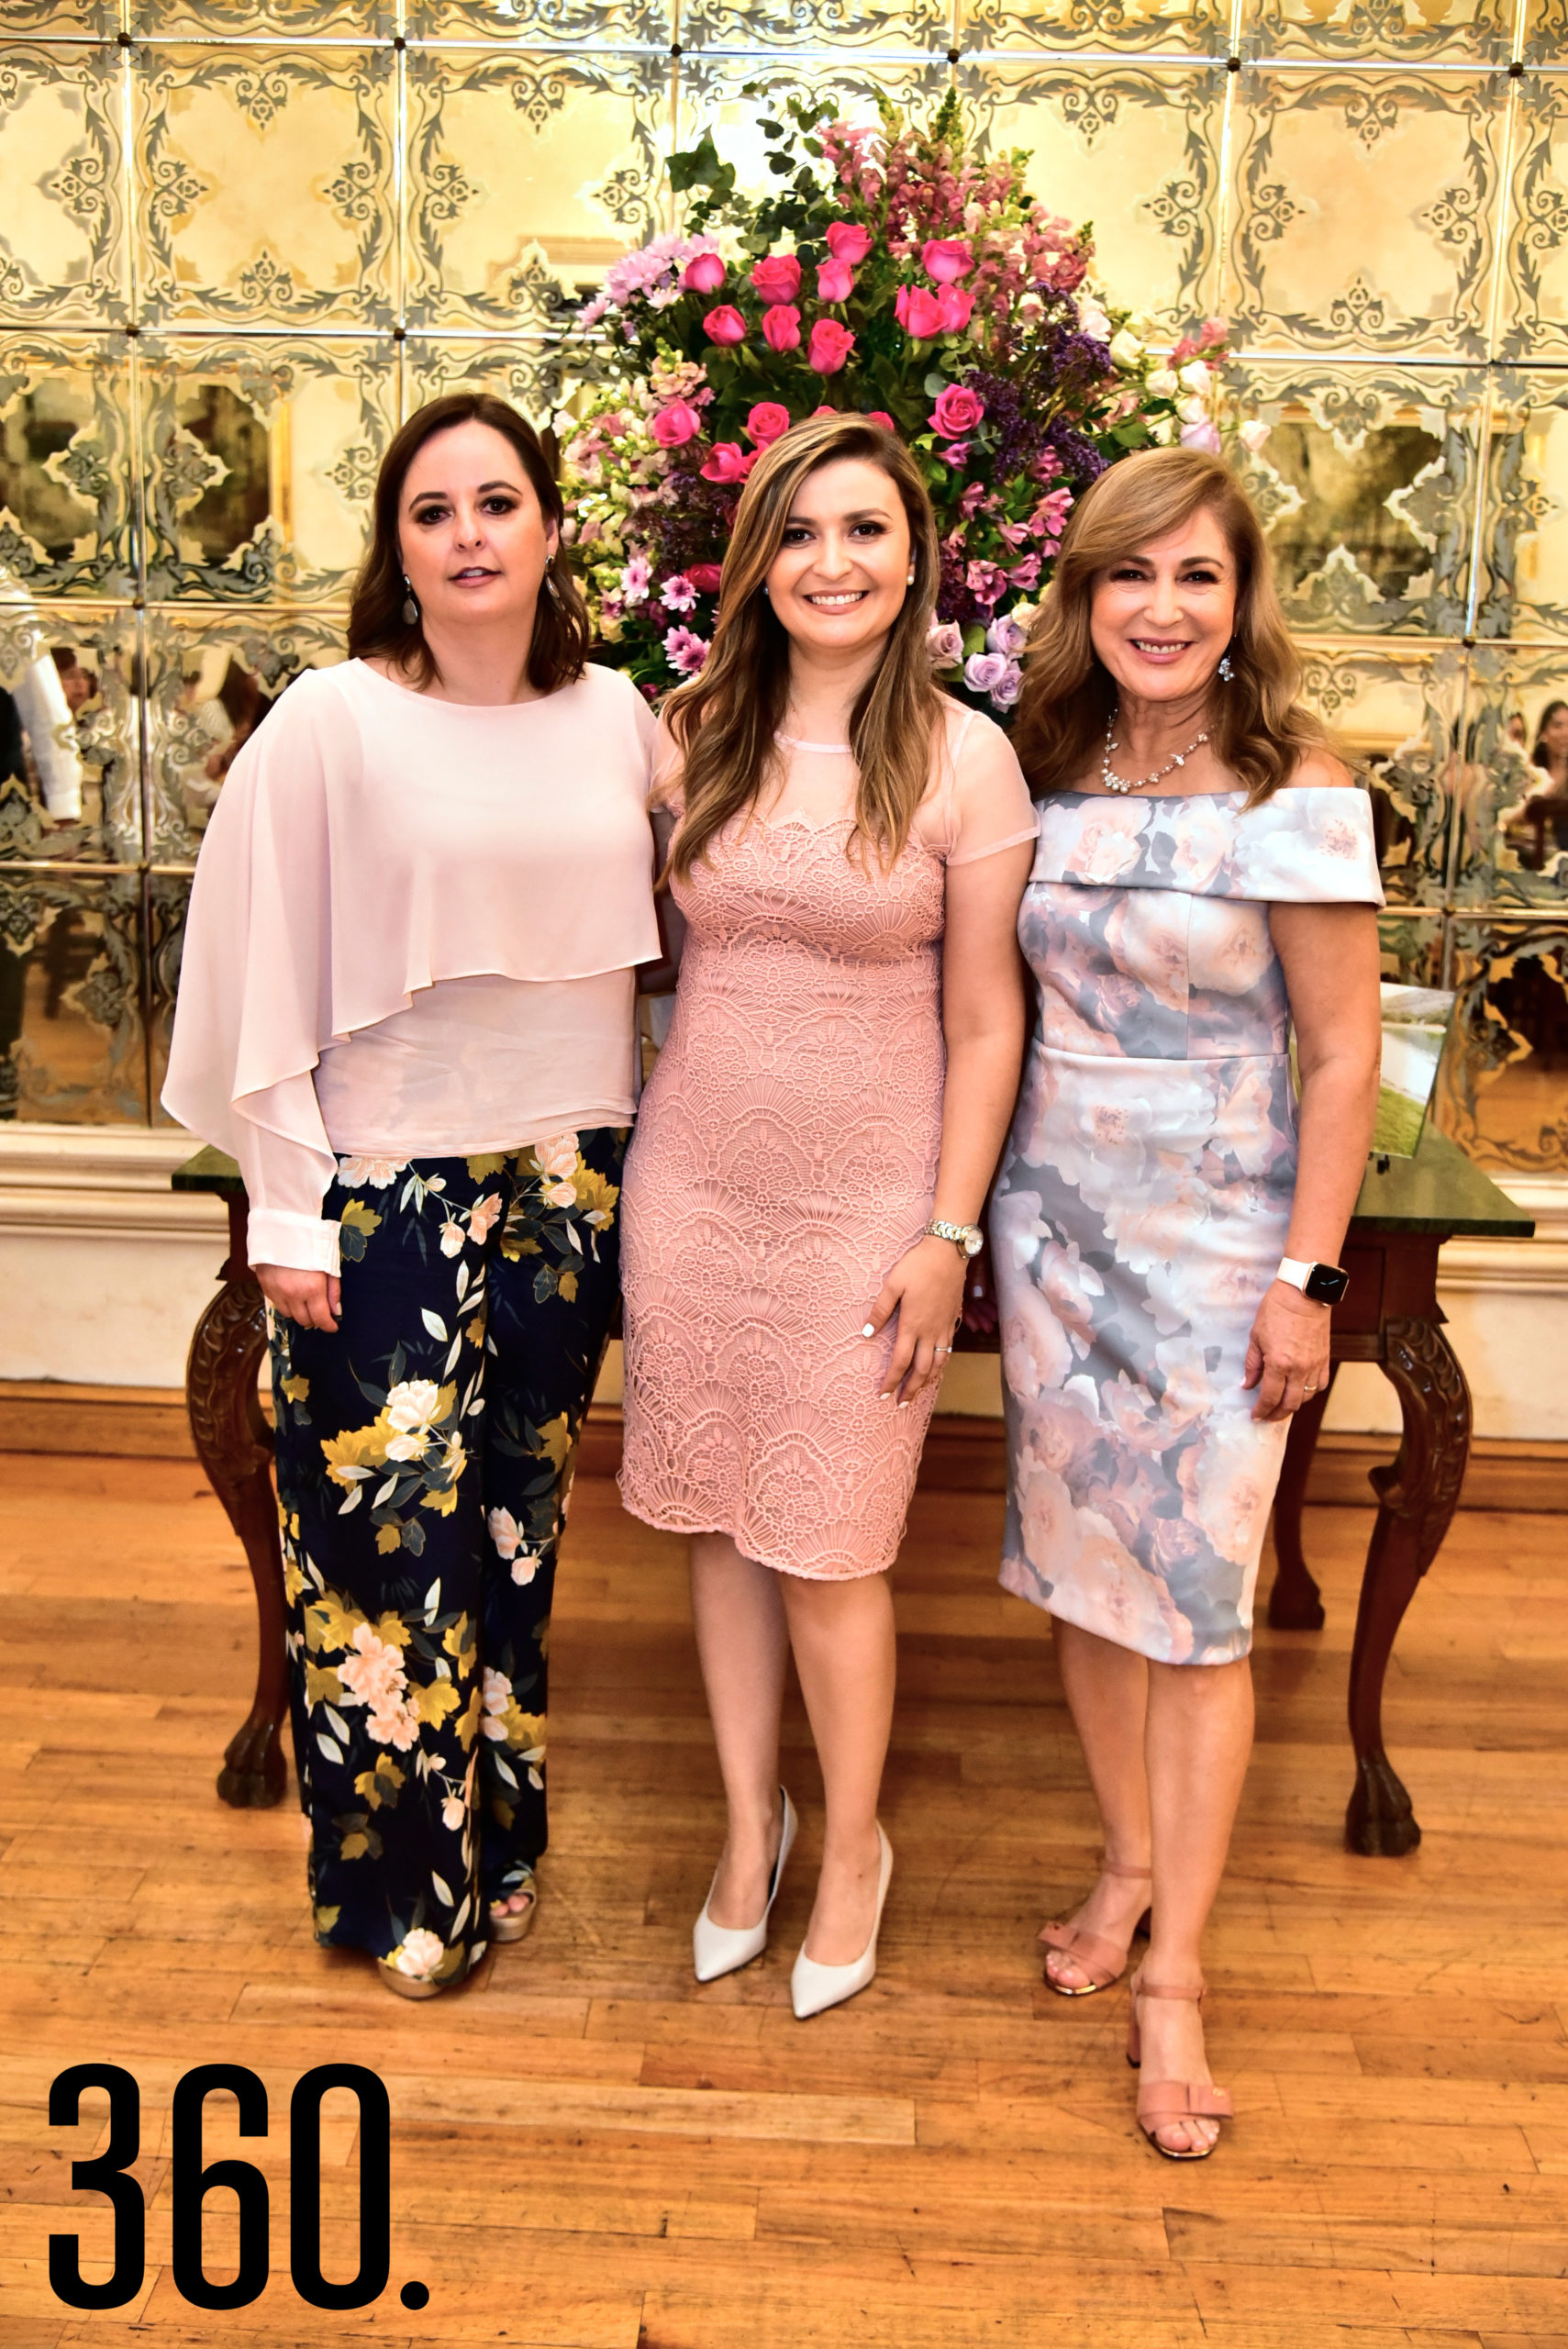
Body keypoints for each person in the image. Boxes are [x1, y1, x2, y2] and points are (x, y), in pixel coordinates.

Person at [163, 394, 660, 1998]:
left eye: (497, 501)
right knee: (382, 1549)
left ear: (550, 529)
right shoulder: (332, 720)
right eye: (431, 509)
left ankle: (498, 1843)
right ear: (397, 545)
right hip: (383, 1187)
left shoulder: (617, 716)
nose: (467, 535)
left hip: (566, 1178)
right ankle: (396, 1894)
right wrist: (289, 1210)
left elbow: (719, 895)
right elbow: (255, 962)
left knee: (517, 1535)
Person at [618, 414, 1037, 2020]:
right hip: (695, 1188)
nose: (831, 564)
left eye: (863, 531)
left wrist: (945, 1231)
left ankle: (851, 1846)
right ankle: (751, 1829)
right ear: (755, 564)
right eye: (798, 534)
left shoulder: (963, 757)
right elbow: (633, 954)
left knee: (832, 1546)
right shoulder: (693, 732)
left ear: (913, 559)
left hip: (871, 1210)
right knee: (717, 1527)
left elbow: (988, 1020)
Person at [995, 446, 1383, 2157]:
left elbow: (1344, 1050)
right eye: (1126, 575)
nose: (1159, 610)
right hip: (1052, 1238)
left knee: (1202, 1609)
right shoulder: (1033, 766)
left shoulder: (1293, 787)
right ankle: (1126, 1864)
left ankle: (1178, 1981)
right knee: (1085, 1580)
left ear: (1240, 605)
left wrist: (1306, 1279)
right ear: (1085, 596)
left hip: (1223, 1251)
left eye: (1195, 578)